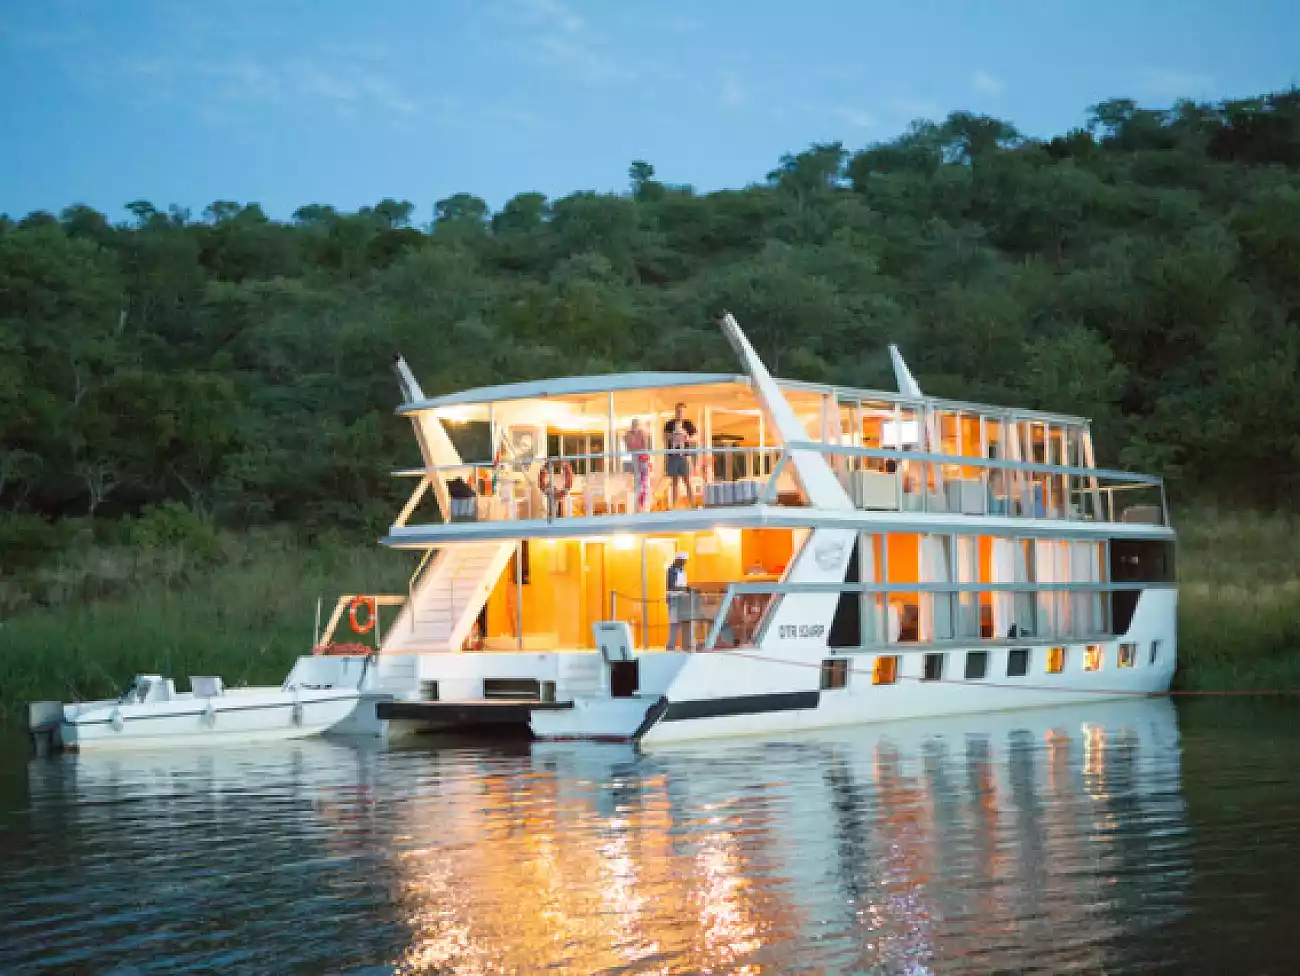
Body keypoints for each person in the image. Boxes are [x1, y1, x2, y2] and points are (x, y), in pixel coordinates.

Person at [663, 403, 697, 508]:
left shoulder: (688, 424)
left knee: (687, 481)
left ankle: (693, 505)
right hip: (673, 455)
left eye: (682, 411)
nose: (680, 413)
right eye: (678, 411)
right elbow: (665, 436)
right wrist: (674, 435)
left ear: (684, 412)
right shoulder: (669, 423)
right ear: (675, 411)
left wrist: (686, 437)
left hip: (684, 456)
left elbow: (695, 437)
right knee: (674, 482)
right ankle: (674, 506)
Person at [624, 418, 652, 512]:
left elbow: (644, 446)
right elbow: (629, 448)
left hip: (643, 459)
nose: (635, 427)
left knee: (645, 483)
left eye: (637, 425)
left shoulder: (642, 433)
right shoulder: (628, 434)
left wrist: (638, 443)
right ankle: (639, 506)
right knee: (638, 483)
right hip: (636, 459)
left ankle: (644, 506)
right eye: (634, 425)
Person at [665, 552, 690, 650]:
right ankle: (670, 646)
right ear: (678, 560)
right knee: (674, 623)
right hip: (674, 599)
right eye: (683, 561)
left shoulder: (682, 570)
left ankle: (684, 645)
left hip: (682, 599)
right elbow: (672, 586)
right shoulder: (671, 570)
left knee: (682, 623)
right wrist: (685, 589)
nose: (684, 563)